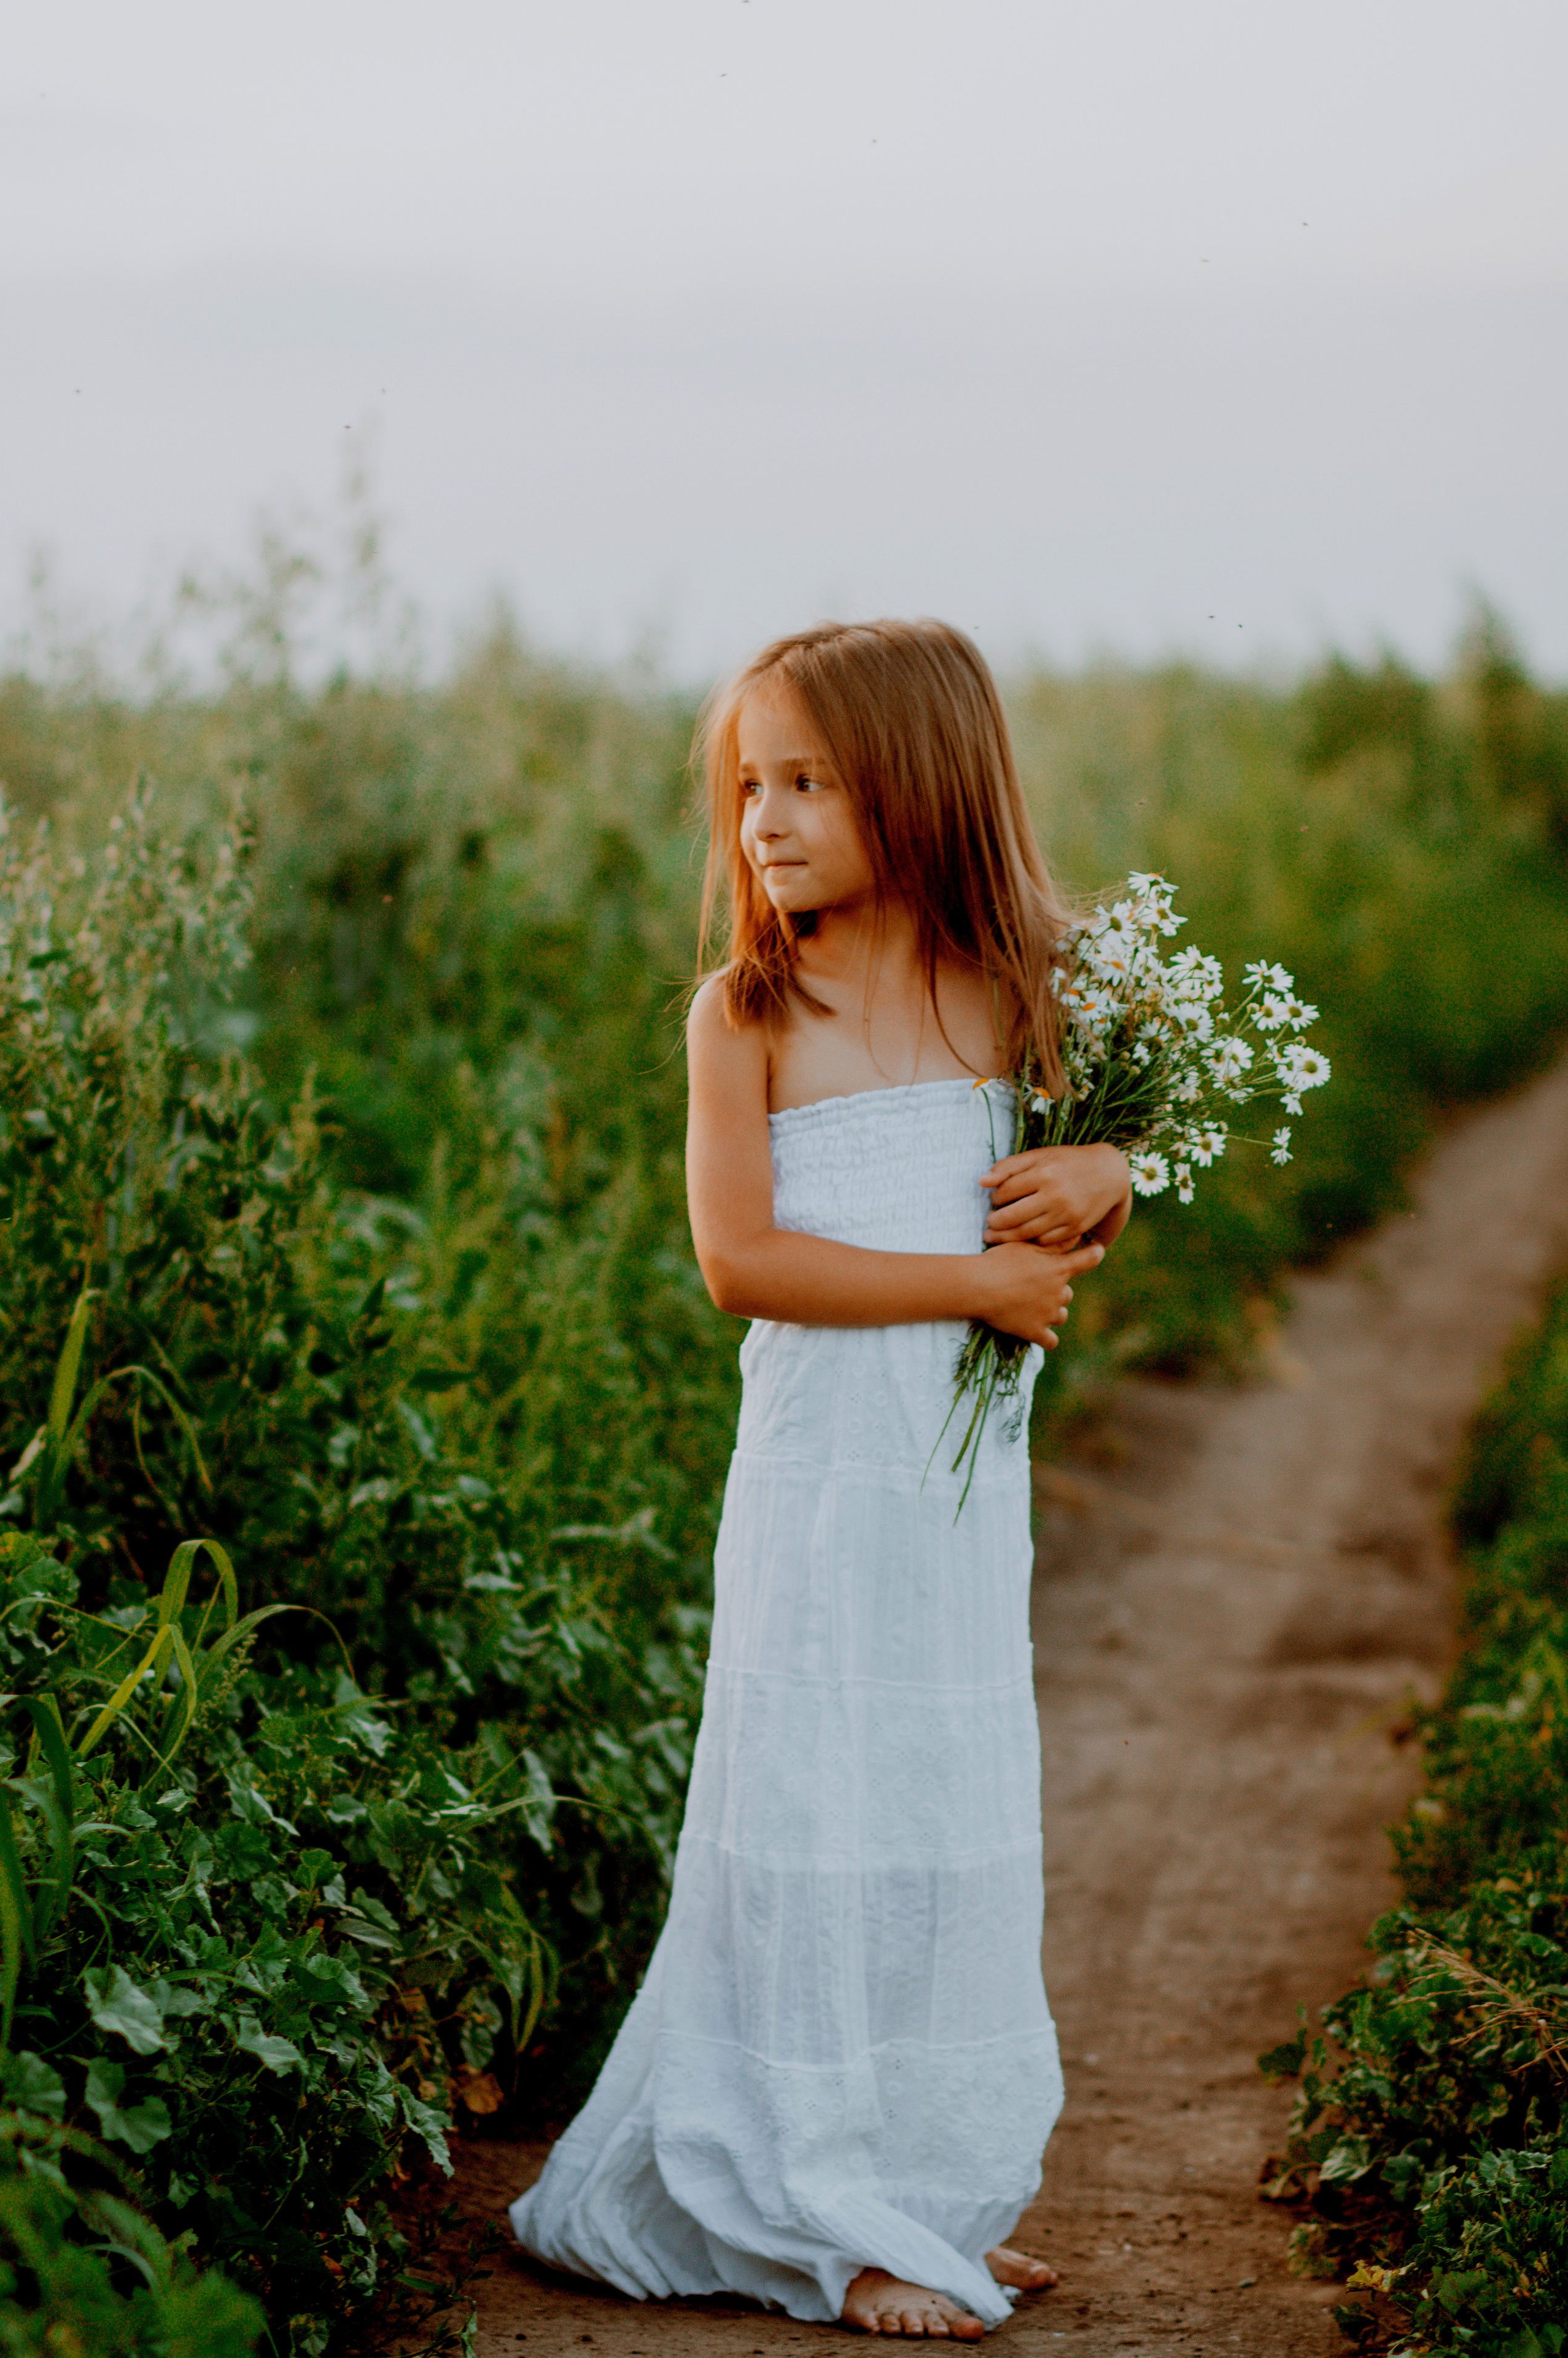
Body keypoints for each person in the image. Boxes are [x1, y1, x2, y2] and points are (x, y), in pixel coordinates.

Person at [510, 619, 1131, 2338]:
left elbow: (1081, 1181)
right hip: (820, 1477)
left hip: (951, 1494)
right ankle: (811, 2204)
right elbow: (742, 1261)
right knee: (813, 1800)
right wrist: (977, 1286)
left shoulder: (1018, 990)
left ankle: (927, 2192)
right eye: (748, 786)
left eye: (808, 782)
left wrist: (1107, 1179)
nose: (764, 821)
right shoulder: (748, 1012)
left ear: (921, 789)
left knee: (937, 1793)